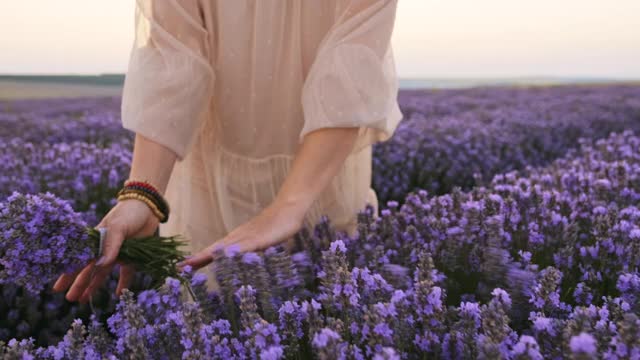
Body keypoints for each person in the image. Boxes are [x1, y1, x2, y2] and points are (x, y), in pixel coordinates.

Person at [53, 0, 402, 302]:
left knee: (337, 308)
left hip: (322, 175)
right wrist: (142, 194)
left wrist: (288, 206)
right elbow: (171, 61)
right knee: (212, 314)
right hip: (211, 180)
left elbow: (351, 67)